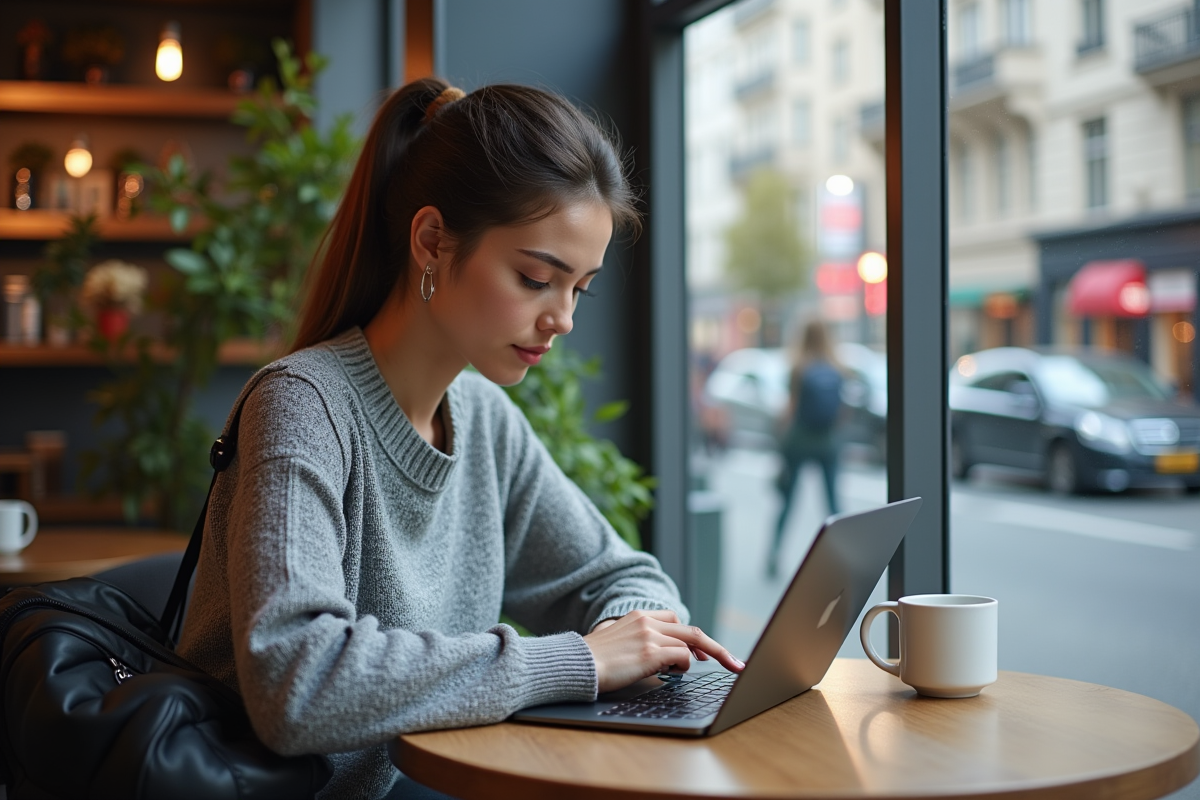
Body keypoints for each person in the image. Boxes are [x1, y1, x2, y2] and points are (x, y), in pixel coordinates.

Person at [178, 78, 743, 800]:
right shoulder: (304, 405)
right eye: (537, 277)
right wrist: (578, 663)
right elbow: (298, 681)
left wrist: (624, 639)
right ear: (432, 242)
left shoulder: (482, 417)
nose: (563, 318)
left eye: (581, 288)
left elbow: (621, 579)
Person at [766, 319, 844, 579]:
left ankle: (774, 556)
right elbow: (842, 411)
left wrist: (779, 440)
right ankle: (844, 559)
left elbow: (790, 409)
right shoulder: (836, 368)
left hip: (799, 440)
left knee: (787, 503)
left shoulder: (798, 368)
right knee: (833, 504)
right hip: (827, 442)